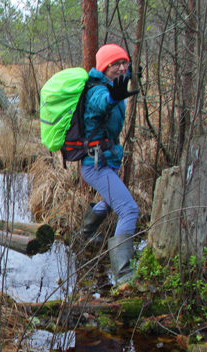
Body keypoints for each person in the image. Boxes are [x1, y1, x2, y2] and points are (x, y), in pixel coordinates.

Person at [78, 43, 140, 285]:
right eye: (117, 64)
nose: (122, 67)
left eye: (125, 62)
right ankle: (125, 278)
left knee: (110, 202)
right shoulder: (97, 91)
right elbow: (102, 102)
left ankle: (87, 234)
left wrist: (122, 83)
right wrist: (113, 97)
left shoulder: (113, 85)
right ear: (105, 66)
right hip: (95, 165)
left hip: (106, 160)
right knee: (129, 210)